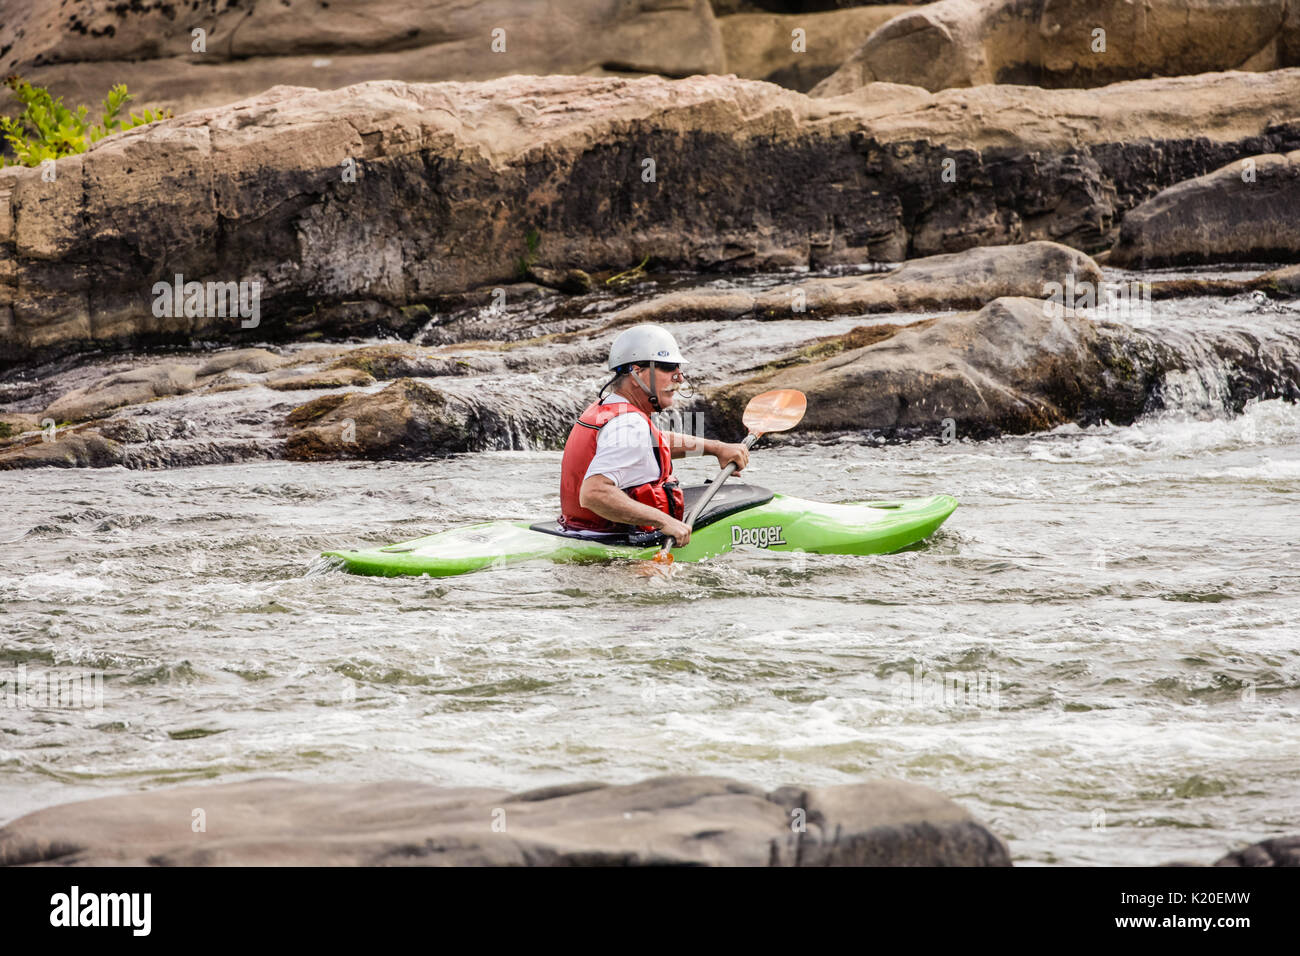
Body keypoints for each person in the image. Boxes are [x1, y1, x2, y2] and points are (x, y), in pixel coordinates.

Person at [558, 325, 749, 545]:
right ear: (636, 373)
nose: (679, 377)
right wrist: (663, 521)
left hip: (579, 531)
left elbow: (651, 442)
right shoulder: (629, 424)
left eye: (678, 368)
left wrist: (716, 448)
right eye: (668, 367)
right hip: (618, 553)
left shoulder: (608, 408)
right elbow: (593, 493)